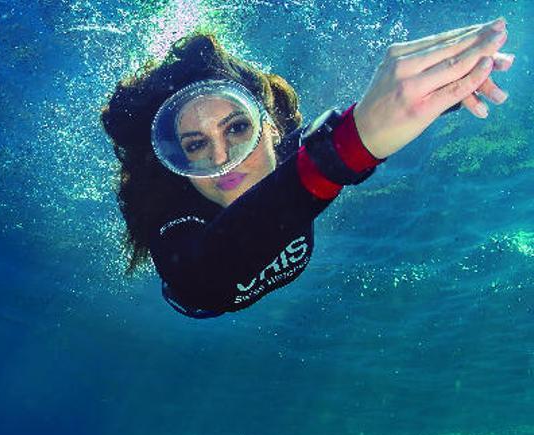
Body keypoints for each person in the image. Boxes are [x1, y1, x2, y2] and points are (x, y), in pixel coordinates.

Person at [100, 18, 514, 319]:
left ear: (272, 128)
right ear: (179, 160)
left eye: (238, 128)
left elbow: (358, 126)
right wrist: (354, 143)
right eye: (196, 145)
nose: (223, 158)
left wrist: (441, 93)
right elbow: (204, 280)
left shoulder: (294, 152)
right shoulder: (173, 219)